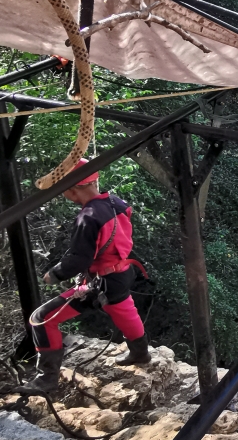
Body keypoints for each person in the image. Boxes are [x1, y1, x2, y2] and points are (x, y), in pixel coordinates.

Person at [22, 160, 150, 394]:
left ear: (72, 190)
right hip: (121, 272)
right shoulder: (116, 203)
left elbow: (77, 261)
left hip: (102, 280)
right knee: (123, 308)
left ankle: (46, 380)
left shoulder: (87, 217)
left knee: (41, 318)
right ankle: (140, 352)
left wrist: (53, 275)